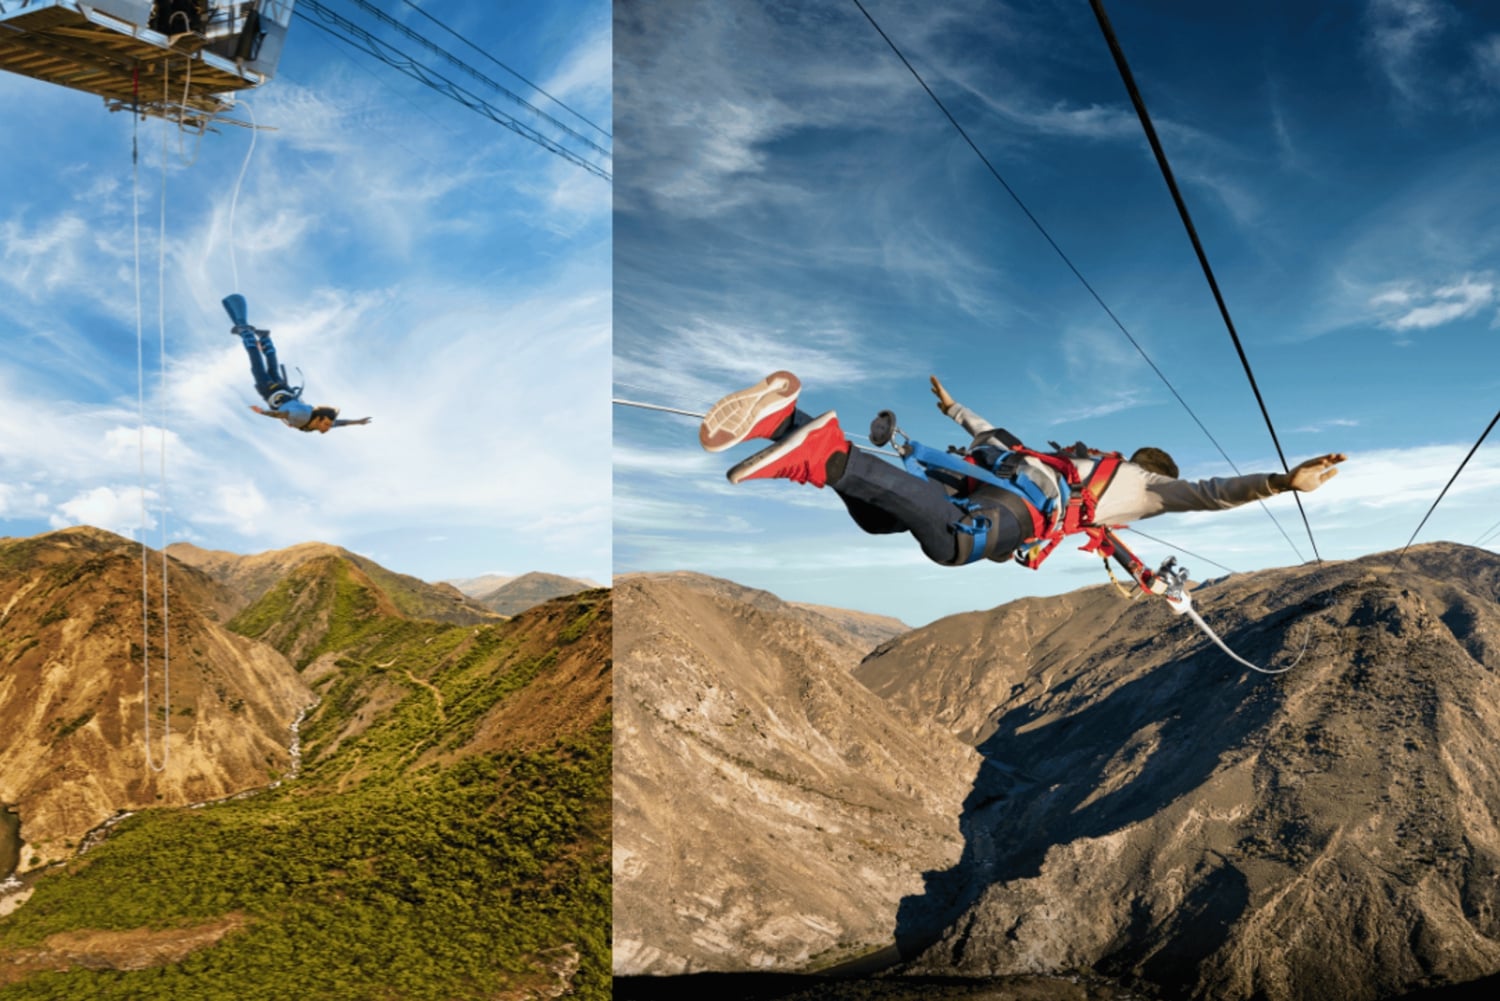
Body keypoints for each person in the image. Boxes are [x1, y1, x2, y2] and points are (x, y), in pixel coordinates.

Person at [700, 371, 1344, 567]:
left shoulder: (1074, 459)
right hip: (1013, 506)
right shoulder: (1146, 488)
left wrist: (953, 405)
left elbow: (987, 433)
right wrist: (1283, 482)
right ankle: (822, 455)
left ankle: (783, 422)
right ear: (1155, 471)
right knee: (955, 545)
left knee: (881, 521)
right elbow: (1210, 494)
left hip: (981, 474)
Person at [223, 295, 371, 434]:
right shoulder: (302, 418)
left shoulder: (318, 420)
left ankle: (265, 338)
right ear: (319, 419)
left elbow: (339, 423)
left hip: (284, 390)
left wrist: (358, 422)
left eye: (327, 424)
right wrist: (263, 412)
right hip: (271, 392)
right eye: (326, 424)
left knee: (272, 367)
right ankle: (246, 332)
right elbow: (283, 413)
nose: (328, 427)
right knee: (256, 363)